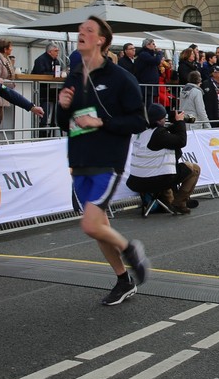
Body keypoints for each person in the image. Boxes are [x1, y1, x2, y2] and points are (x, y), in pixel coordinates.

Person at [54, 16, 150, 307]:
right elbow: (64, 123)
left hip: (108, 161)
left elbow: (139, 121)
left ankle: (130, 249)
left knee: (90, 224)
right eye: (80, 29)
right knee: (98, 227)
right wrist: (62, 107)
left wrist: (102, 122)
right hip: (80, 160)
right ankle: (124, 280)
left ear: (101, 40)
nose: (81, 33)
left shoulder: (120, 78)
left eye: (88, 30)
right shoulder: (74, 75)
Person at [125, 103, 201, 214]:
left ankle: (172, 200)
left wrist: (174, 125)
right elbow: (181, 141)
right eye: (164, 117)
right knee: (194, 169)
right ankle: (179, 203)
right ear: (159, 119)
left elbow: (165, 134)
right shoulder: (159, 134)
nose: (165, 120)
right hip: (154, 180)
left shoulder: (139, 132)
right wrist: (180, 122)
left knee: (168, 170)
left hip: (135, 181)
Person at [0, 38, 19, 130]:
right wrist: (9, 83)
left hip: (1, 94)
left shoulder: (4, 59)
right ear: (5, 49)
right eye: (10, 47)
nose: (12, 48)